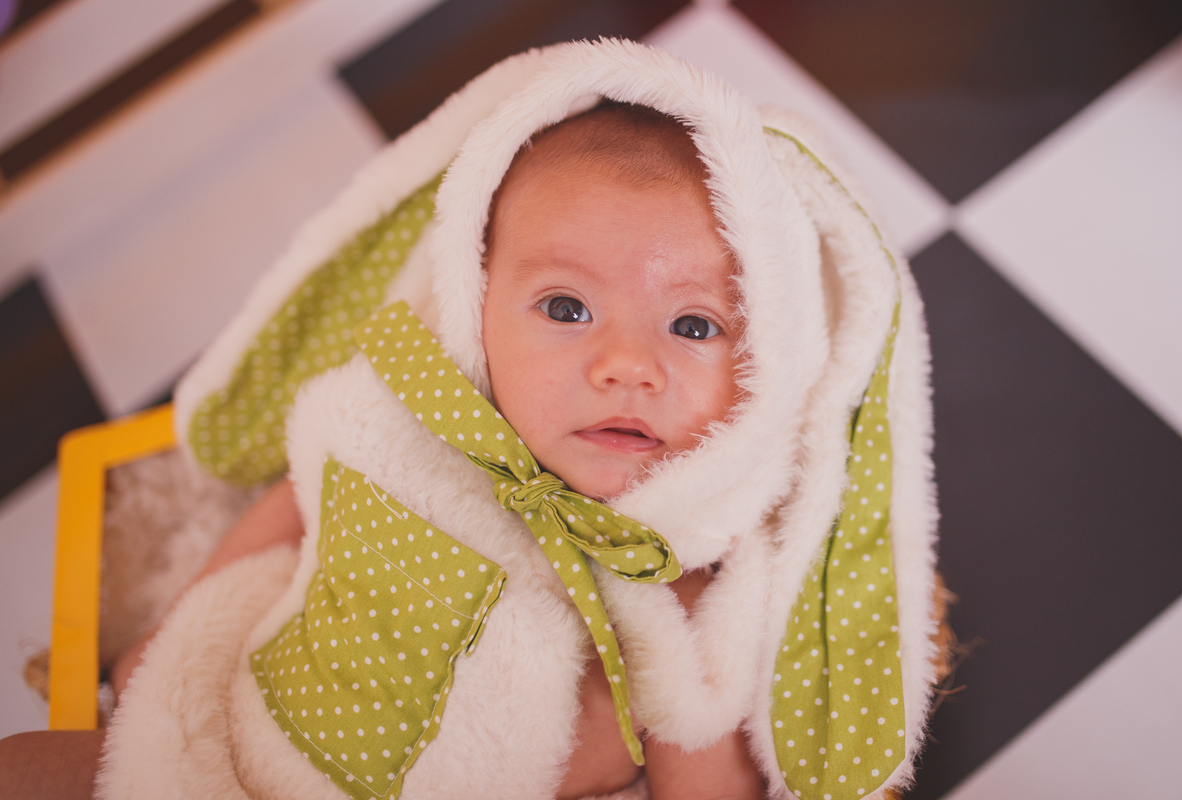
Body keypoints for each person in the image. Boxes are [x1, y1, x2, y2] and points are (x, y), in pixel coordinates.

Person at [59, 38, 942, 800]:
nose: (627, 366)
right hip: (244, 739)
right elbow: (303, 490)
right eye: (565, 308)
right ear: (474, 301)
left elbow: (700, 751)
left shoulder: (676, 575)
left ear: (768, 364)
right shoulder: (412, 407)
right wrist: (178, 633)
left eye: (693, 325)